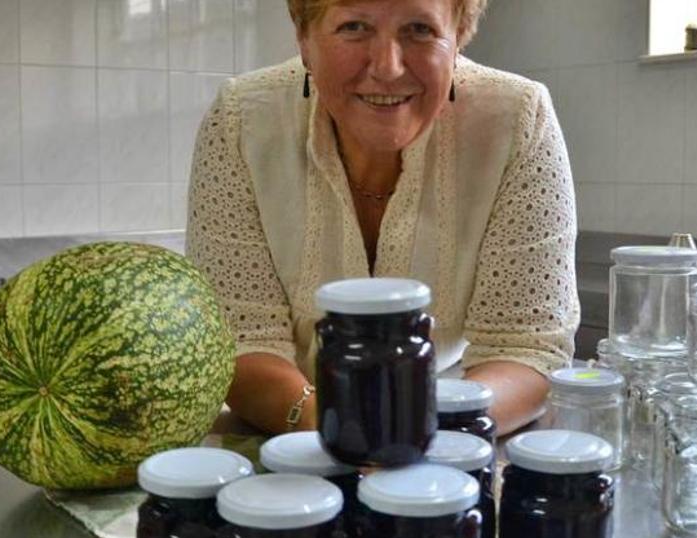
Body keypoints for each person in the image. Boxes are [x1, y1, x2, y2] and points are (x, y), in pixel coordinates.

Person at [185, 0, 578, 437]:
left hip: (452, 428)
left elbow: (525, 346)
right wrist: (330, 423)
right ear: (304, 39)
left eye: (419, 30)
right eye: (354, 27)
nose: (388, 68)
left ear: (459, 35)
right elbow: (242, 339)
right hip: (288, 425)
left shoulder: (518, 119)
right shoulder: (242, 120)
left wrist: (424, 428)